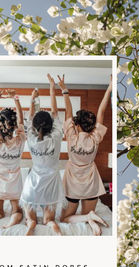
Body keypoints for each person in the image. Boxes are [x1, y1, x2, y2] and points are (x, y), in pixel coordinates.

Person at [59, 75, 112, 235]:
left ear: (77, 124)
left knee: (65, 219)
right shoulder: (95, 138)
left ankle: (88, 217)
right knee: (81, 214)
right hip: (91, 184)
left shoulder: (71, 137)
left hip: (72, 185)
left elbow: (67, 111)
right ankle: (89, 218)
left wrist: (64, 91)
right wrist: (109, 88)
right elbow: (102, 111)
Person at [20, 74, 64, 236]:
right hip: (51, 184)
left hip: (33, 184)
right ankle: (52, 225)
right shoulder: (57, 136)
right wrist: (52, 88)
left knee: (30, 217)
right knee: (49, 219)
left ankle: (31, 225)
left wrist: (32, 98)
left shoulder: (31, 138)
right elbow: (54, 111)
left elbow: (30, 117)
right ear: (51, 125)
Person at [0, 82, 26, 229]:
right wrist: (16, 98)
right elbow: (21, 120)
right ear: (14, 125)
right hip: (14, 184)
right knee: (18, 210)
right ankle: (11, 223)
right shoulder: (20, 140)